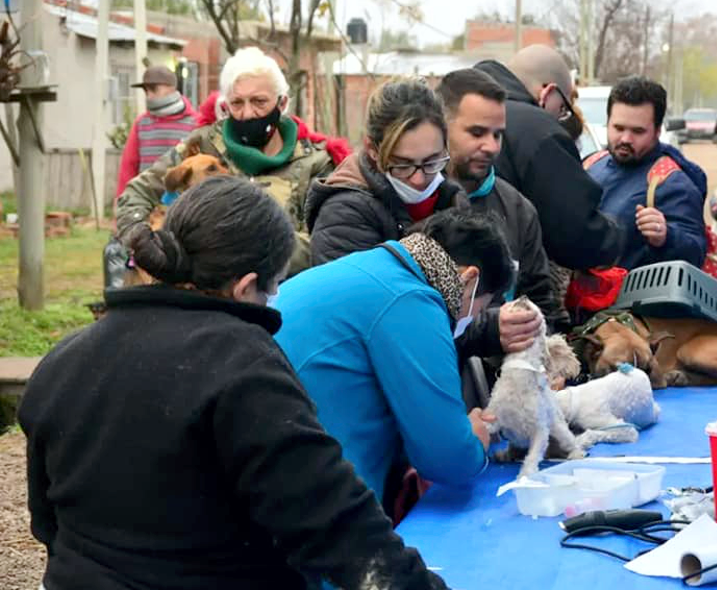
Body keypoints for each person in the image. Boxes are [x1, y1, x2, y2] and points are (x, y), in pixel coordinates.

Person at [18, 176, 445, 590]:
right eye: (274, 286)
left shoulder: (63, 359)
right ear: (245, 287)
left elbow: (47, 521)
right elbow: (335, 524)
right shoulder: (241, 361)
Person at [273, 209, 514, 516]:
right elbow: (447, 457)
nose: (475, 317)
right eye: (482, 306)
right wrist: (475, 438)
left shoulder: (372, 267)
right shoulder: (413, 300)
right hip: (312, 496)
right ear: (470, 280)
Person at [116, 47, 345, 276]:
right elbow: (138, 191)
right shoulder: (202, 145)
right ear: (225, 107)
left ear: (282, 103)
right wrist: (142, 241)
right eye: (237, 103)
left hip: (282, 294)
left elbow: (327, 242)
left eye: (259, 101)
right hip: (202, 293)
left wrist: (249, 247)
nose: (247, 114)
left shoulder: (315, 162)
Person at [437, 68, 564, 331]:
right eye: (477, 132)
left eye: (497, 134)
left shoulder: (519, 211)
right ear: (441, 127)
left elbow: (541, 303)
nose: (492, 146)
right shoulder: (417, 200)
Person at [475, 45, 622, 271]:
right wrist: (617, 233)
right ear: (548, 92)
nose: (559, 118)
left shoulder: (455, 108)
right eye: (562, 108)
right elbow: (575, 234)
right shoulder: (538, 129)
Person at [307, 77, 466, 266]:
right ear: (373, 149)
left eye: (431, 162)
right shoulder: (343, 212)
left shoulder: (452, 197)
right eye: (402, 165)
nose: (419, 179)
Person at [584, 76, 707, 270]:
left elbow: (696, 254)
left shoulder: (671, 183)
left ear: (658, 131)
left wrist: (666, 237)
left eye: (638, 131)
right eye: (618, 128)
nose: (625, 138)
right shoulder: (591, 164)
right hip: (580, 297)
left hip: (633, 298)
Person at [115, 66, 197, 198]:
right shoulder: (141, 123)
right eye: (146, 91)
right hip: (146, 201)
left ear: (171, 88)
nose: (149, 95)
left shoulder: (195, 123)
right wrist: (122, 201)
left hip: (184, 203)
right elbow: (129, 166)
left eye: (153, 89)